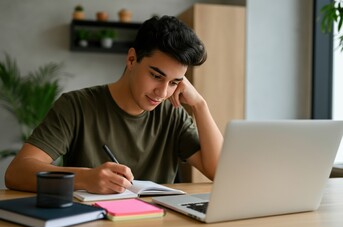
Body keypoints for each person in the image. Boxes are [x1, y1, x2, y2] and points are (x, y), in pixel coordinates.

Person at [5, 16, 223, 194]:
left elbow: (221, 173)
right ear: (131, 60)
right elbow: (17, 172)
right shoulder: (76, 106)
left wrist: (200, 105)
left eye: (175, 83)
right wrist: (85, 178)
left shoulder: (172, 115)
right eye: (156, 76)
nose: (163, 92)